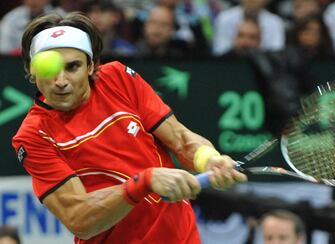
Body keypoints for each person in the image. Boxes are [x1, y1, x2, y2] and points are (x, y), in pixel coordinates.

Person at [12, 12, 246, 243]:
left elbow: (180, 139)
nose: (61, 81)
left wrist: (209, 160)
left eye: (73, 67)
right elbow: (79, 218)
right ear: (31, 71)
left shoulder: (117, 78)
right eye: (48, 68)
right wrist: (143, 183)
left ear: (91, 66)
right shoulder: (34, 134)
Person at [212, 0, 285, 56]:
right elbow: (220, 51)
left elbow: (276, 53)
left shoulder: (276, 22)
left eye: (252, 37)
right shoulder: (224, 18)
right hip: (230, 63)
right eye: (241, 35)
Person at [0, 0, 65, 55]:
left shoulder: (61, 16)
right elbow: (4, 49)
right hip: (19, 63)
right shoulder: (11, 18)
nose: (34, 1)